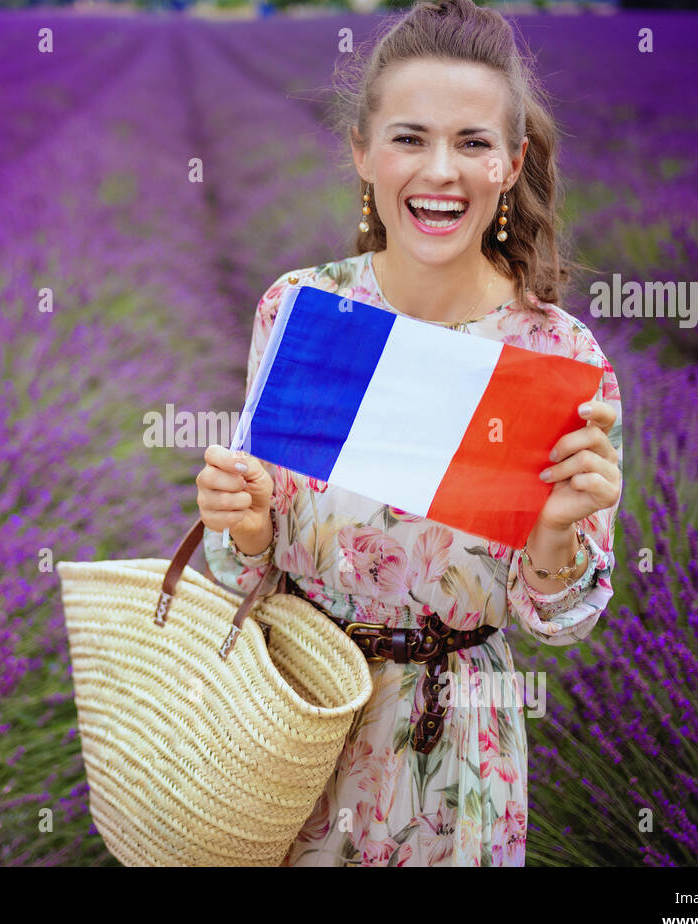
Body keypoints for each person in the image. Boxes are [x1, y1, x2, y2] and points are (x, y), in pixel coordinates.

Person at [194, 0, 623, 866]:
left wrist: (553, 531)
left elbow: (559, 619)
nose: (441, 171)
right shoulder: (304, 313)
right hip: (296, 720)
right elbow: (248, 564)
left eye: (472, 142)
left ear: (512, 163)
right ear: (362, 152)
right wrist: (240, 525)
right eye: (409, 138)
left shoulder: (556, 355)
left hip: (455, 754)